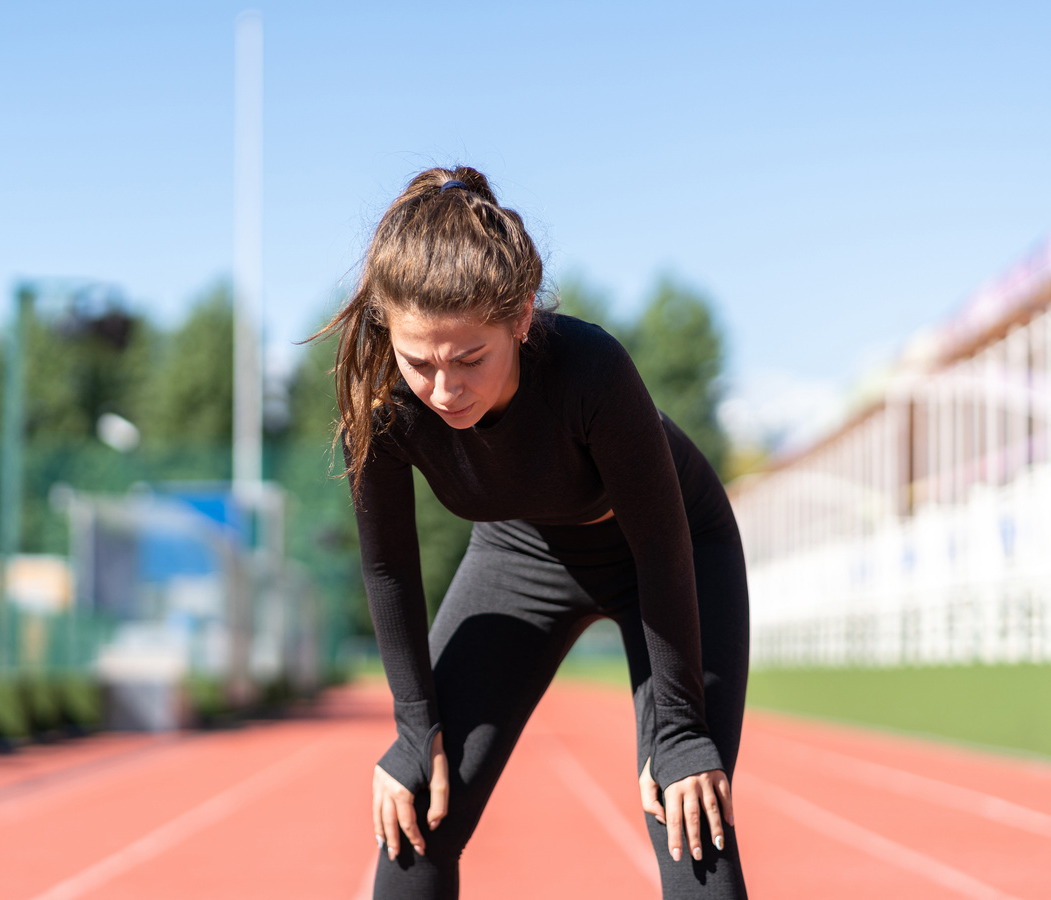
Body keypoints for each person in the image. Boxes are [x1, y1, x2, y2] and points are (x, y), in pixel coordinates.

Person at [317, 166, 750, 899]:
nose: (446, 390)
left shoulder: (591, 370)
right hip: (519, 549)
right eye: (421, 361)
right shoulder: (382, 397)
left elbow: (662, 545)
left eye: (470, 359)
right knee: (417, 814)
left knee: (688, 816)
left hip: (669, 552)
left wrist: (678, 731)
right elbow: (389, 567)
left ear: (521, 318)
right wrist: (414, 729)